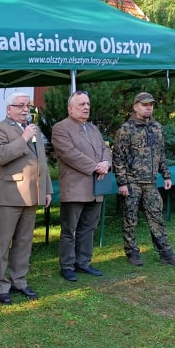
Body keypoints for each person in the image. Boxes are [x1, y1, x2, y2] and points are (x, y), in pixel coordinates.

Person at [0, 92, 53, 304]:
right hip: (10, 194)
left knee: (24, 241)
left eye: (28, 105)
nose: (25, 109)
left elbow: (42, 162)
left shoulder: (33, 129)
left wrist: (47, 190)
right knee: (3, 242)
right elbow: (0, 156)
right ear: (9, 109)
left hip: (32, 194)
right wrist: (23, 138)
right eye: (20, 105)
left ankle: (19, 280)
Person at [112, 92, 175, 268]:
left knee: (157, 217)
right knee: (130, 219)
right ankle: (132, 251)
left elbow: (160, 153)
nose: (148, 107)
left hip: (151, 182)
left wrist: (166, 175)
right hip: (132, 182)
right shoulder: (126, 129)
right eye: (145, 104)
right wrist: (122, 182)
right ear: (135, 106)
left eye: (151, 105)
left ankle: (166, 253)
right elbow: (118, 158)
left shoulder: (156, 127)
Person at [51, 90, 112, 281]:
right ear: (70, 109)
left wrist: (106, 163)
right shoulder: (61, 128)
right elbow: (69, 154)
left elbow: (105, 148)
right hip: (75, 188)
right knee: (70, 230)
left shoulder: (92, 128)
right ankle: (67, 265)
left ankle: (83, 262)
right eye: (81, 104)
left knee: (89, 228)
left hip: (96, 187)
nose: (86, 107)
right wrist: (96, 167)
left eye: (87, 104)